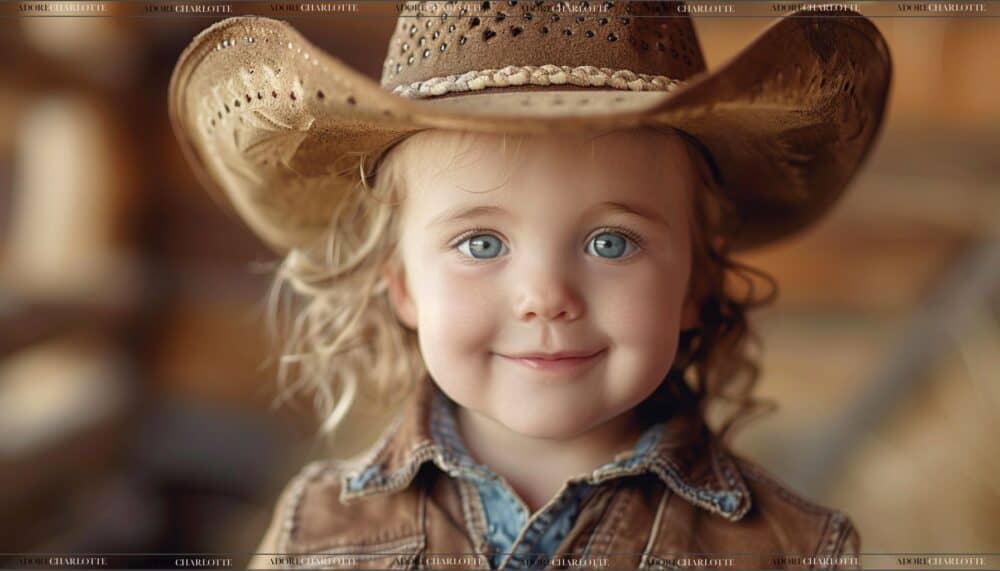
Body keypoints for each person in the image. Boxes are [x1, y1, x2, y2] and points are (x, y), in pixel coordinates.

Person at [169, 1, 891, 568]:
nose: (546, 296)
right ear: (402, 285)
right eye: (481, 243)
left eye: (612, 241)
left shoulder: (787, 548)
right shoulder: (322, 533)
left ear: (696, 280)